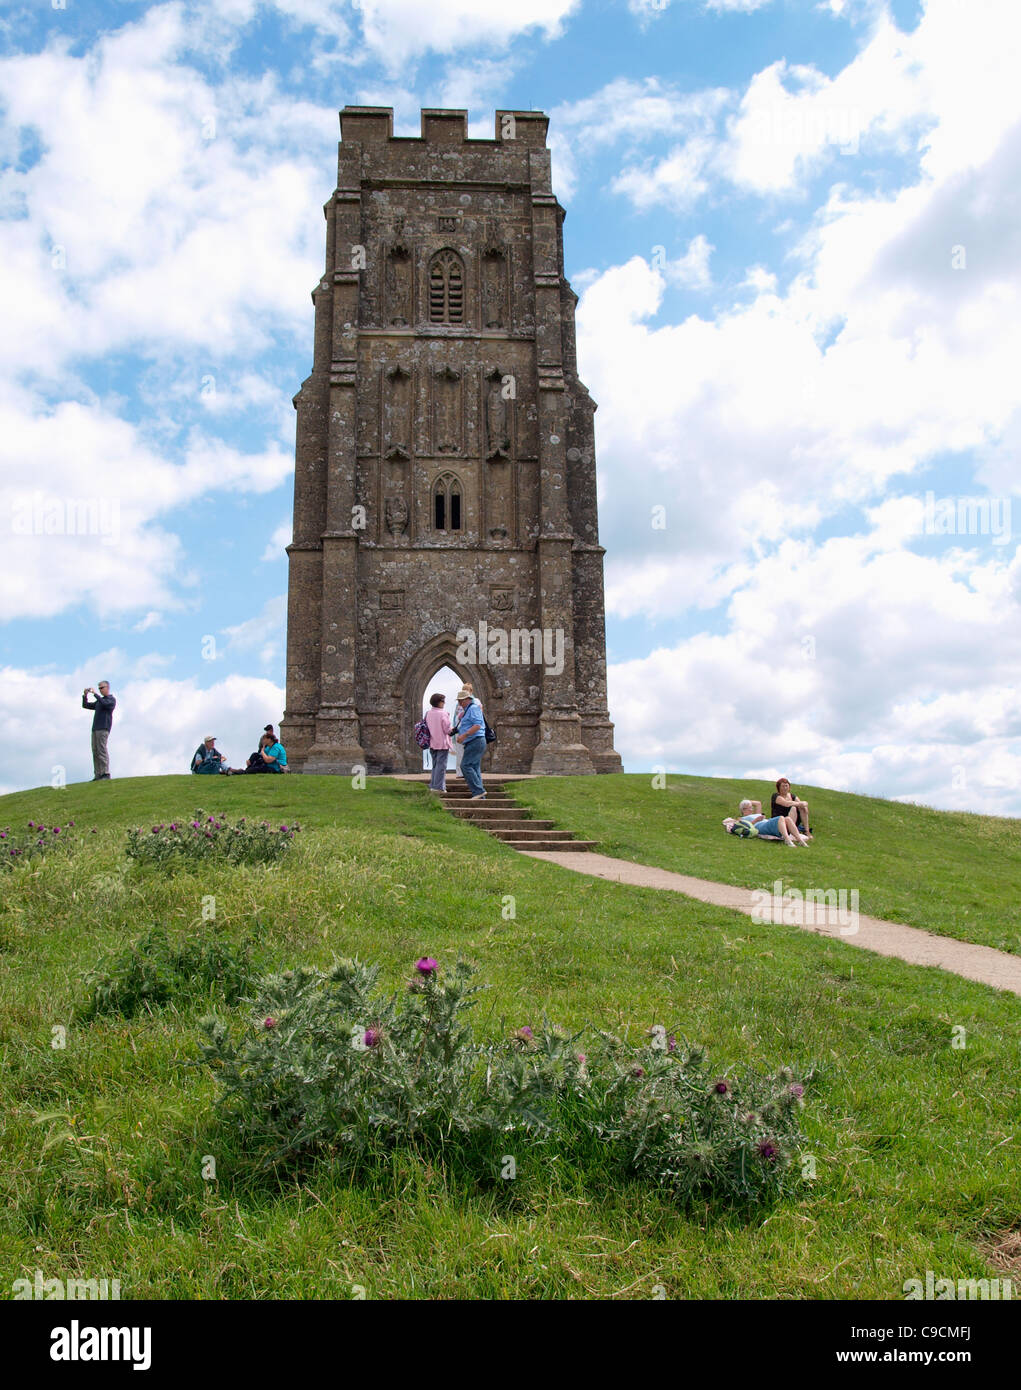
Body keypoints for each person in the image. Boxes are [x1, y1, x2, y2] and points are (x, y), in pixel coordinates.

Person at [731, 798, 809, 847]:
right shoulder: (742, 818)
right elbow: (744, 827)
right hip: (760, 826)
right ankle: (787, 840)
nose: (751, 809)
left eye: (751, 807)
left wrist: (747, 802)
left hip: (766, 823)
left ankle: (800, 841)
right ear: (743, 810)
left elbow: (758, 803)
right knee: (781, 818)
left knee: (788, 819)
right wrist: (756, 820)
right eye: (749, 808)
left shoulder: (756, 814)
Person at [454, 687, 486, 800]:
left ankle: (478, 791)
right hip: (473, 741)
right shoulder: (468, 710)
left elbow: (477, 725)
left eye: (460, 700)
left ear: (467, 699)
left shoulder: (473, 708)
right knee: (475, 767)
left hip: (475, 741)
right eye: (458, 701)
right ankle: (480, 796)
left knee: (465, 765)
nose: (459, 703)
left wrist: (464, 735)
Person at [82, 681, 116, 781]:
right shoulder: (100, 701)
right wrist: (85, 695)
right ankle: (98, 774)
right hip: (95, 728)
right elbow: (86, 705)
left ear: (107, 688)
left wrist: (95, 694)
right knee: (95, 751)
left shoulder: (111, 699)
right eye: (99, 688)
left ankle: (105, 773)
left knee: (102, 750)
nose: (100, 690)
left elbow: (105, 704)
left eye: (102, 688)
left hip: (103, 727)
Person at [425, 692, 453, 793]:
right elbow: (447, 730)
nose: (444, 703)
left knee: (435, 765)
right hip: (442, 743)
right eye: (443, 701)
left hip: (432, 743)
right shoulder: (443, 713)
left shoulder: (428, 713)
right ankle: (438, 787)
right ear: (439, 702)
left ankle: (433, 785)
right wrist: (453, 730)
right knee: (441, 767)